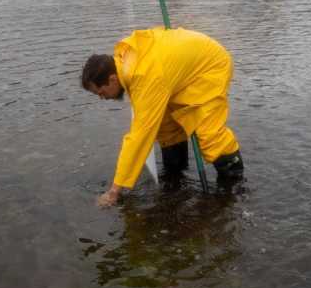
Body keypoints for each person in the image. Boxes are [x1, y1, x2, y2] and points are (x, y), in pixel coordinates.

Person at [81, 26, 244, 207]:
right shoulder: (126, 61)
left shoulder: (143, 76)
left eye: (101, 92)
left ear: (112, 79)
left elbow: (139, 137)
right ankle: (175, 176)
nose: (102, 98)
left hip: (209, 68)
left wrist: (114, 191)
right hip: (175, 74)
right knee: (167, 128)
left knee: (209, 135)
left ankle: (234, 188)